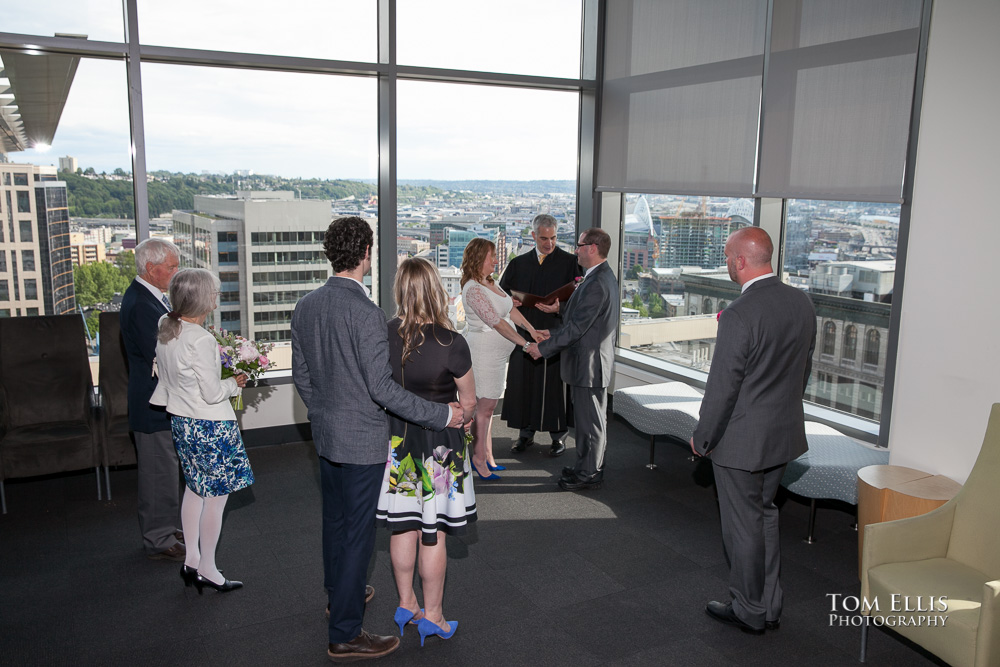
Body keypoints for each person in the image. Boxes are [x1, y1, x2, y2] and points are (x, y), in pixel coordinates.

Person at [291, 216, 464, 663]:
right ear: (366, 253)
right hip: (364, 441)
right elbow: (381, 390)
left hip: (326, 435)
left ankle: (339, 595)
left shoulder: (306, 306)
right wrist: (443, 412)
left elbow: (303, 377)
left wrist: (323, 412)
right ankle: (345, 632)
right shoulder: (366, 314)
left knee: (335, 523)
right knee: (357, 537)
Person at [688, 227, 816, 635]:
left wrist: (702, 437)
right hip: (781, 435)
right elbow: (803, 370)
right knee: (765, 517)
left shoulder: (740, 315)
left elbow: (723, 387)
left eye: (727, 256)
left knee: (743, 526)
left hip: (741, 442)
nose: (726, 263)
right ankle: (770, 604)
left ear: (740, 261)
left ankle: (748, 610)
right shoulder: (801, 302)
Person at [375, 258, 477, 647]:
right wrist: (461, 417)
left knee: (403, 526)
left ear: (400, 290)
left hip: (398, 444)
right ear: (436, 290)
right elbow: (467, 404)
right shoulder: (452, 342)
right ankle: (433, 615)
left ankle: (406, 603)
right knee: (432, 533)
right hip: (440, 450)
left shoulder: (384, 334)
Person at [150, 268, 252, 593]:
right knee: (216, 499)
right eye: (214, 293)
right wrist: (234, 384)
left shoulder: (166, 326)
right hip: (210, 426)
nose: (216, 298)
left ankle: (191, 560)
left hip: (182, 423)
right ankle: (207, 567)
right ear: (204, 300)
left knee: (194, 490)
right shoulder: (203, 339)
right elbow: (211, 393)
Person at [526, 228, 619, 491]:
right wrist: (557, 318)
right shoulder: (598, 277)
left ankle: (589, 473)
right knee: (588, 421)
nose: (575, 250)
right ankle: (585, 467)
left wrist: (542, 348)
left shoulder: (597, 281)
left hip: (589, 365)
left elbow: (578, 329)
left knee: (590, 424)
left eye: (579, 245)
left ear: (592, 248)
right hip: (587, 362)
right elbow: (583, 317)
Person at [119, 238, 185, 562]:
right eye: (171, 266)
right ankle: (158, 537)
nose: (176, 272)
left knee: (166, 469)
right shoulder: (143, 305)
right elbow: (162, 355)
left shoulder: (150, 298)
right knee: (158, 473)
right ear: (151, 268)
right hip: (151, 403)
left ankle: (167, 526)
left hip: (158, 400)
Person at [460, 237, 547, 480]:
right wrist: (526, 344)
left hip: (497, 358)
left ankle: (487, 455)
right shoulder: (473, 288)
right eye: (492, 256)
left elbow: (510, 310)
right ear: (479, 258)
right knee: (484, 409)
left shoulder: (491, 283)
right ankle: (477, 457)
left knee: (486, 408)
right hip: (483, 355)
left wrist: (531, 330)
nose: (496, 260)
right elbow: (496, 323)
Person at [499, 214, 583, 457]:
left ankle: (559, 437)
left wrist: (560, 308)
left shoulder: (570, 263)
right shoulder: (518, 264)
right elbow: (503, 296)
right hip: (525, 332)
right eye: (544, 238)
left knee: (554, 386)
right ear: (533, 235)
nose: (550, 243)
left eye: (554, 238)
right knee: (524, 384)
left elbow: (580, 302)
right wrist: (510, 300)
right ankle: (525, 434)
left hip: (555, 332)